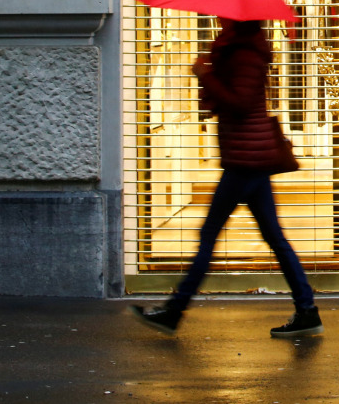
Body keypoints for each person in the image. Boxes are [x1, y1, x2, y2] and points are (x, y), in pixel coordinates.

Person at [130, 17, 322, 337]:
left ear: (236, 19)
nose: (218, 18)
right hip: (248, 156)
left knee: (209, 236)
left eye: (223, 16)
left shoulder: (245, 52)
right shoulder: (238, 48)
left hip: (245, 159)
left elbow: (241, 102)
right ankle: (307, 310)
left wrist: (206, 75)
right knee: (275, 239)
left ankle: (173, 312)